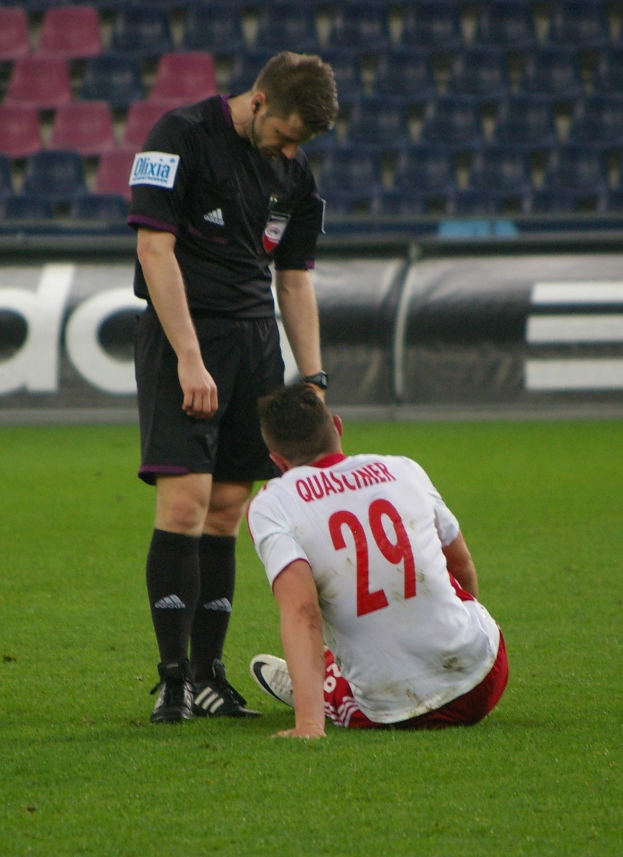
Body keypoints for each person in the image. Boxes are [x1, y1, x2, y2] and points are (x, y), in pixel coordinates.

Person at [127, 52, 338, 723]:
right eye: (285, 134)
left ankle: (208, 674)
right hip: (184, 337)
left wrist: (313, 378)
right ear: (259, 100)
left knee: (226, 509)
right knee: (185, 503)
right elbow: (154, 250)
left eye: (301, 142)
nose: (289, 149)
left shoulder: (294, 175)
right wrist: (189, 358)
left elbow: (294, 279)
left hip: (255, 345)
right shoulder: (180, 135)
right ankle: (172, 681)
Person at [247, 383, 508, 738]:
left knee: (345, 672)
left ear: (278, 461)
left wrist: (308, 725)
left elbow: (302, 611)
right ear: (337, 426)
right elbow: (459, 564)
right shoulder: (404, 468)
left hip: (398, 708)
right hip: (487, 673)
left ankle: (318, 688)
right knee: (437, 577)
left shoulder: (272, 503)